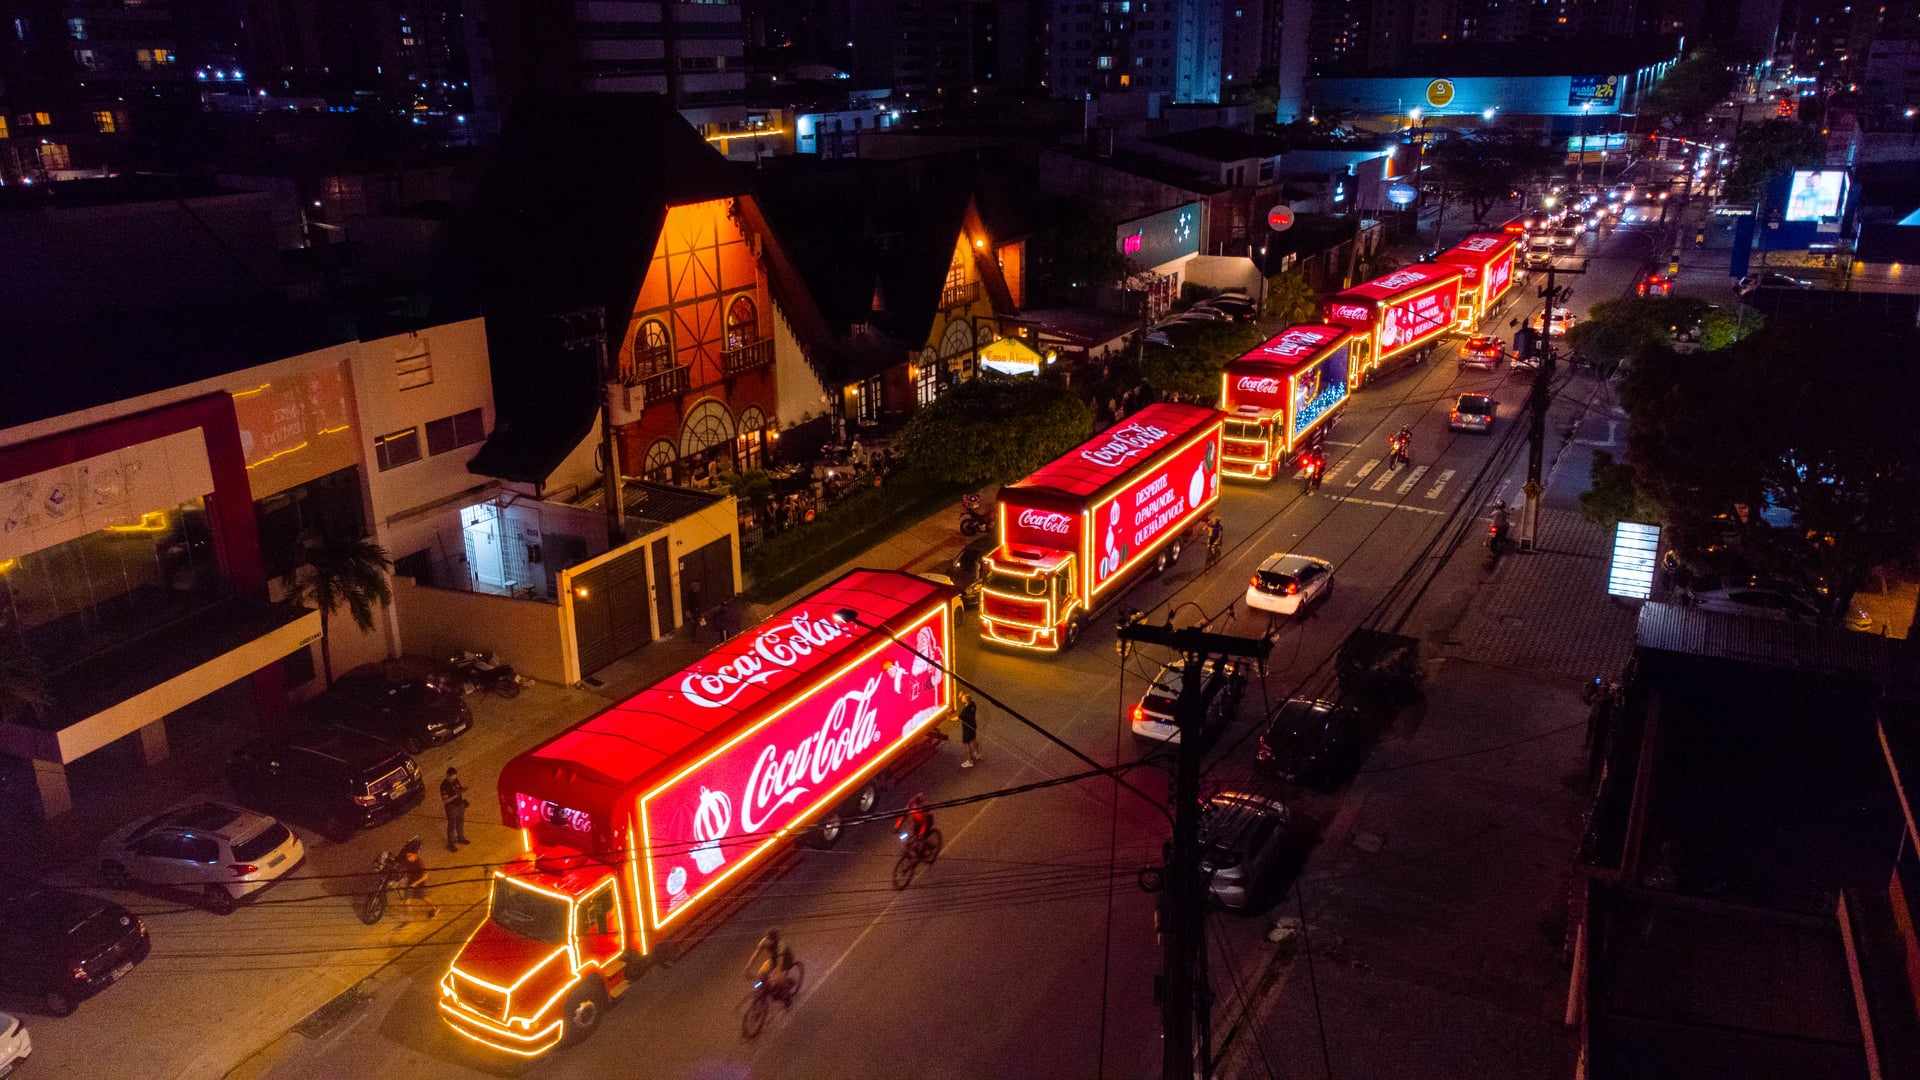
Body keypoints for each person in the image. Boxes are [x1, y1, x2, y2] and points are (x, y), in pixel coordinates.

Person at [399, 836, 436, 919]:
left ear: (415, 855)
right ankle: (409, 917)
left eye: (410, 856)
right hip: (410, 882)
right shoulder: (407, 860)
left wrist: (416, 883)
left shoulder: (420, 863)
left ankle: (434, 908)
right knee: (407, 901)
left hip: (419, 884)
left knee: (423, 898)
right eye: (407, 856)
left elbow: (425, 876)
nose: (408, 858)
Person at [748, 928, 794, 995]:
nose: (768, 941)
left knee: (777, 979)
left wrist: (776, 973)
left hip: (786, 960)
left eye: (770, 940)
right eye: (767, 938)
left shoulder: (781, 945)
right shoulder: (764, 941)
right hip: (773, 960)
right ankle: (757, 987)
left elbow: (780, 962)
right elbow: (755, 955)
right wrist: (748, 966)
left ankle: (786, 993)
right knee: (761, 975)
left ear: (775, 939)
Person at [441, 767, 469, 851]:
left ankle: (460, 838)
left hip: (460, 804)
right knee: (451, 825)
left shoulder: (455, 780)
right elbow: (445, 800)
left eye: (455, 777)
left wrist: (462, 790)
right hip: (451, 807)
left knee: (460, 821)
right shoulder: (443, 786)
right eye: (452, 777)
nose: (454, 779)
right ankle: (450, 844)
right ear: (448, 776)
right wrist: (455, 796)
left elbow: (459, 788)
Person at [958, 693, 980, 768]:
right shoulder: (973, 704)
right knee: (974, 740)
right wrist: (962, 695)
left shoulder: (965, 710)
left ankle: (970, 761)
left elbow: (958, 718)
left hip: (967, 729)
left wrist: (949, 718)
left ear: (966, 701)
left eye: (963, 698)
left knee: (967, 745)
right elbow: (967, 698)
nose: (961, 699)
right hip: (973, 726)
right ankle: (977, 754)